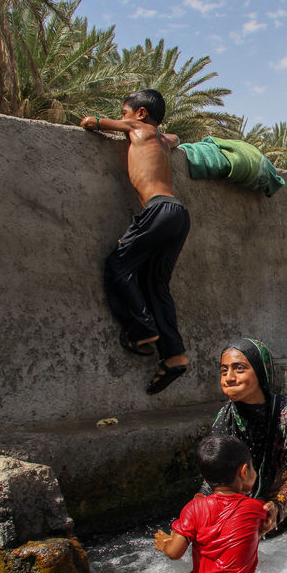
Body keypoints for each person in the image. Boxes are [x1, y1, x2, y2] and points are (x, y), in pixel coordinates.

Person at [79, 89, 190, 395]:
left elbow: (91, 122)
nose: (123, 117)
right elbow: (177, 137)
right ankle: (174, 355)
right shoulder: (162, 139)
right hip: (179, 214)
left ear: (140, 114)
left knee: (118, 265)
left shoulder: (137, 127)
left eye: (125, 111)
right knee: (156, 284)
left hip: (156, 210)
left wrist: (103, 121)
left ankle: (142, 329)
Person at [211, 338, 287, 534]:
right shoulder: (225, 418)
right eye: (224, 370)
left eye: (239, 368)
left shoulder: (286, 414)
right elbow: (214, 472)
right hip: (247, 511)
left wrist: (277, 508)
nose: (229, 377)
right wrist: (198, 506)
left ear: (261, 372)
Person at [153, 434, 270, 573]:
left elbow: (174, 553)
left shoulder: (193, 508)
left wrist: (166, 545)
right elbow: (264, 525)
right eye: (252, 467)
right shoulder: (256, 508)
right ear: (244, 472)